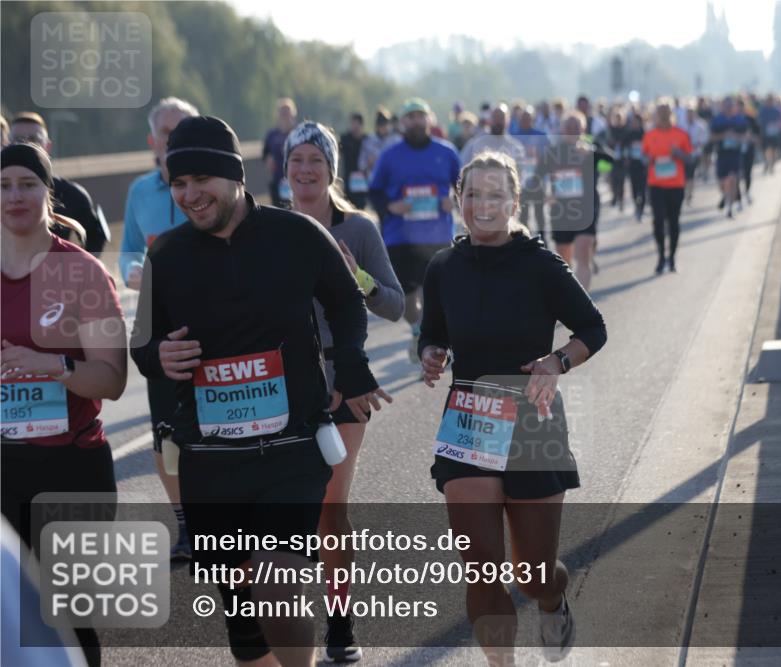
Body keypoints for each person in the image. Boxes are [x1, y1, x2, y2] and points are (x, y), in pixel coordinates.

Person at [130, 116, 384, 667]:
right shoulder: (167, 254)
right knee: (244, 622)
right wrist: (158, 356)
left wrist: (351, 363)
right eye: (178, 183)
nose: (190, 195)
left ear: (236, 176)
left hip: (291, 446)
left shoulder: (297, 235)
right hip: (212, 458)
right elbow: (143, 342)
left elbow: (346, 302)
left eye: (202, 179)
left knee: (276, 585)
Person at [419, 150, 607, 665]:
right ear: (459, 199)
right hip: (470, 418)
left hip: (531, 419)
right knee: (481, 568)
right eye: (472, 194)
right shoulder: (444, 267)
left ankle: (552, 600)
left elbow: (593, 328)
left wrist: (556, 362)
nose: (482, 205)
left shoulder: (540, 265)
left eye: (495, 194)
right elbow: (433, 332)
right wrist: (431, 353)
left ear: (515, 202)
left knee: (534, 574)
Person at [2, 142, 127, 667]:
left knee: (69, 621)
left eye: (27, 185)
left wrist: (52, 364)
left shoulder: (80, 272)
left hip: (72, 467)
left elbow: (112, 380)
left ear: (48, 193)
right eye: (3, 186)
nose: (14, 196)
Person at [284, 121, 402, 663]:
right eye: (297, 160)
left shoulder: (359, 230)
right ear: (284, 168)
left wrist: (360, 279)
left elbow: (394, 305)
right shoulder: (269, 229)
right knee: (285, 511)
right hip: (283, 385)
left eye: (316, 160)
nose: (306, 169)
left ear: (332, 170)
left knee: (331, 509)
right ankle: (285, 623)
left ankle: (339, 621)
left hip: (343, 383)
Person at [118, 96, 199, 561]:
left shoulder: (210, 184)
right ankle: (186, 525)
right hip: (157, 324)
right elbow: (129, 247)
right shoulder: (139, 192)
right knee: (165, 433)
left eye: (184, 127)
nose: (175, 137)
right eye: (167, 131)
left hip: (210, 321)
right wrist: (132, 269)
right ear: (153, 141)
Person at [368, 98, 461, 363]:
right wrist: (391, 207)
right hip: (401, 237)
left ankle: (431, 338)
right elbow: (374, 192)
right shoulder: (390, 155)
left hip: (438, 235)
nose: (417, 121)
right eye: (411, 117)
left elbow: (465, 185)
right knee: (407, 298)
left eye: (421, 116)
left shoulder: (447, 152)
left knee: (438, 293)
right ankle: (419, 329)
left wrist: (454, 200)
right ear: (402, 123)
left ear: (430, 119)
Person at [10, 113, 110, 256]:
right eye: (18, 140)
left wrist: (80, 266)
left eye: (34, 139)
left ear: (47, 146)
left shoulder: (71, 195)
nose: (25, 145)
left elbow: (96, 236)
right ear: (7, 143)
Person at [536, 111, 614, 291]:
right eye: (568, 127)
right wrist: (545, 194)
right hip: (561, 210)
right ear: (562, 129)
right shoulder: (554, 152)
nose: (572, 130)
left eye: (576, 127)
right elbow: (538, 176)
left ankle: (582, 302)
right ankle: (570, 296)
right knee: (565, 261)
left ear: (583, 129)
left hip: (585, 209)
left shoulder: (591, 148)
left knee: (583, 251)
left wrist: (593, 152)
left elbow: (611, 161)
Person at [642, 102, 692, 274]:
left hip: (676, 185)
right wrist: (649, 160)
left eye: (666, 112)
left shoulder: (681, 134)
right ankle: (661, 256)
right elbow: (643, 157)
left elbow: (690, 158)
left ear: (672, 115)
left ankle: (672, 258)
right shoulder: (650, 135)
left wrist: (679, 153)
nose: (663, 116)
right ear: (655, 116)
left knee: (673, 222)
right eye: (660, 113)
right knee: (658, 221)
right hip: (656, 185)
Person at [513, 108, 551, 245]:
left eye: (528, 118)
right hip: (520, 181)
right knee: (523, 211)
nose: (525, 121)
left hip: (537, 178)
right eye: (523, 118)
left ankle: (543, 238)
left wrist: (544, 178)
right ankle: (525, 239)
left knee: (539, 210)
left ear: (533, 119)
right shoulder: (513, 136)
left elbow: (548, 157)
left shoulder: (542, 136)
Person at [710, 97, 748, 219]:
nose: (728, 108)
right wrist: (724, 135)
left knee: (733, 179)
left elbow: (745, 136)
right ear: (722, 106)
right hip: (721, 154)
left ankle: (730, 207)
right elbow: (711, 137)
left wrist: (736, 136)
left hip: (735, 154)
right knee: (722, 182)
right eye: (726, 106)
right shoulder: (717, 120)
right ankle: (726, 196)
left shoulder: (740, 119)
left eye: (730, 106)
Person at [459, 103, 525, 166]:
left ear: (508, 120)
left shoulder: (515, 147)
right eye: (495, 117)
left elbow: (520, 169)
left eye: (501, 118)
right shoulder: (476, 143)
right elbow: (463, 164)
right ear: (489, 119)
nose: (498, 121)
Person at [261, 97, 297, 208]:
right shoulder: (272, 135)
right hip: (277, 181)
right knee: (278, 211)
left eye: (287, 113)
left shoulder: (298, 133)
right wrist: (268, 160)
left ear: (293, 114)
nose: (285, 116)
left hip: (296, 181)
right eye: (282, 113)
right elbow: (265, 154)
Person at [340, 113, 370, 210]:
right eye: (353, 123)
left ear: (361, 125)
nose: (355, 126)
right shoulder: (345, 139)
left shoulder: (367, 140)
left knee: (361, 208)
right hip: (349, 179)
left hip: (363, 180)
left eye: (357, 124)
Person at [624, 111, 647, 221]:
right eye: (632, 122)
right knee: (634, 188)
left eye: (636, 122)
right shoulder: (629, 134)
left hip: (643, 165)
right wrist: (626, 158)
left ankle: (641, 209)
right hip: (632, 165)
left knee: (642, 189)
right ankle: (636, 207)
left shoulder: (645, 134)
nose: (634, 124)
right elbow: (625, 148)